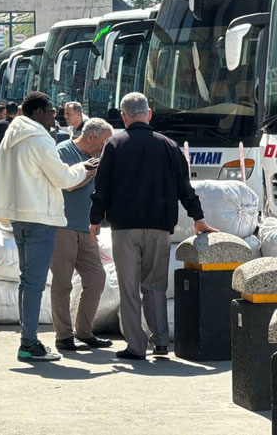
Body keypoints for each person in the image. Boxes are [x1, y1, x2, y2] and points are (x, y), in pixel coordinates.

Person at [89, 92, 215, 360]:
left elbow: (102, 188)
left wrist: (94, 219)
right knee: (155, 286)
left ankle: (136, 347)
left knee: (129, 288)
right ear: (149, 114)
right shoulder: (169, 146)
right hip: (159, 228)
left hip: (124, 229)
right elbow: (185, 187)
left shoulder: (114, 144)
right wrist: (198, 218)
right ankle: (160, 341)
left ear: (124, 117)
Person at [0, 91, 94, 362]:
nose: (54, 117)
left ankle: (28, 339)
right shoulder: (39, 139)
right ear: (37, 113)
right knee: (34, 284)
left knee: (27, 282)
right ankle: (29, 343)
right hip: (40, 219)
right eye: (50, 112)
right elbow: (62, 178)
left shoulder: (14, 134)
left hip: (21, 217)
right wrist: (85, 168)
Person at [51, 118, 114, 352]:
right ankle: (63, 336)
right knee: (62, 284)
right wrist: (92, 169)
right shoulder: (63, 151)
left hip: (86, 228)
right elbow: (69, 185)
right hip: (63, 228)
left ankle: (85, 332)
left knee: (97, 279)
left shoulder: (99, 157)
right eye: (104, 142)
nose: (105, 147)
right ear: (90, 137)